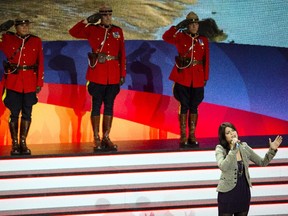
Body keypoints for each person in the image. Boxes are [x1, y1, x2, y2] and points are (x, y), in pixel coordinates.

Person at [69, 4, 126, 152]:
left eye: (109, 15)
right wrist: (87, 21)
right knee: (96, 105)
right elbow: (73, 32)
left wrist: (122, 74)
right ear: (100, 17)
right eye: (104, 15)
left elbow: (122, 54)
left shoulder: (117, 31)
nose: (107, 17)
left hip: (113, 73)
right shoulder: (92, 29)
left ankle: (106, 137)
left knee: (109, 105)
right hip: (97, 73)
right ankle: (96, 137)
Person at [162, 11, 209, 148]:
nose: (194, 26)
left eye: (196, 23)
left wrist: (205, 77)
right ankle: (183, 135)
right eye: (191, 24)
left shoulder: (203, 40)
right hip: (183, 76)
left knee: (194, 106)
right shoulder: (181, 37)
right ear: (187, 25)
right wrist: (177, 27)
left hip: (198, 77)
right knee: (184, 105)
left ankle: (192, 135)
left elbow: (206, 60)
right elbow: (166, 37)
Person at [215, 122, 283, 216]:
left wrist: (272, 150)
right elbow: (223, 166)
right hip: (227, 193)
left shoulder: (244, 147)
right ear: (224, 137)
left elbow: (262, 162)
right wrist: (233, 149)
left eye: (233, 130)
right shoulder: (220, 149)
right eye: (228, 132)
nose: (232, 133)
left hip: (243, 191)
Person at [0, 18, 44, 155]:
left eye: (27, 25)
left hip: (30, 82)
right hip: (14, 81)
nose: (25, 28)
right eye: (22, 26)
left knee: (27, 113)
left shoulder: (36, 40)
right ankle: (14, 143)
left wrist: (39, 83)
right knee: (14, 113)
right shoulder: (8, 39)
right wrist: (1, 29)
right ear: (16, 27)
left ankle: (23, 142)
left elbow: (40, 62)